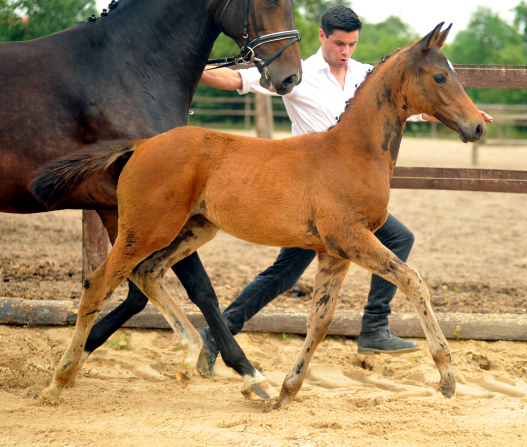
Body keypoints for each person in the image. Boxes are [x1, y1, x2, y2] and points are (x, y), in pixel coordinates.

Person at [197, 6, 492, 374]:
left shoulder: (366, 75)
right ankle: (217, 334)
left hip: (353, 196)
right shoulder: (298, 73)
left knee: (397, 239)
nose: (345, 51)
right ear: (322, 36)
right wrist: (192, 65)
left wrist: (467, 114)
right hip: (308, 192)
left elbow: (416, 104)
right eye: (339, 43)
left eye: (352, 44)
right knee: (284, 275)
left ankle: (373, 327)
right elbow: (236, 81)